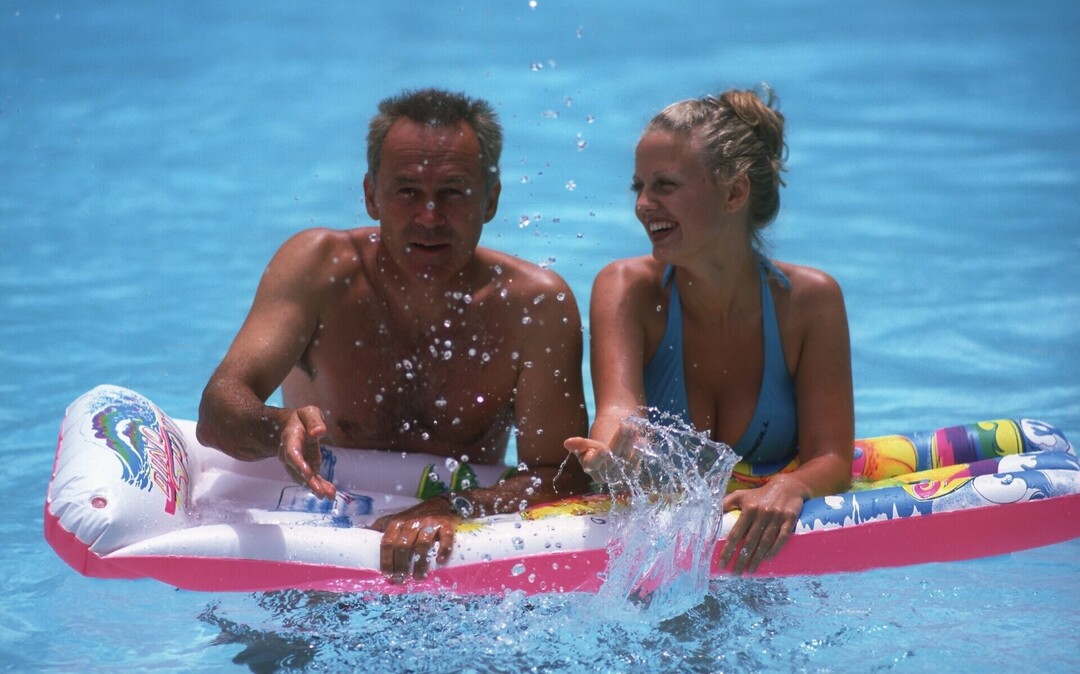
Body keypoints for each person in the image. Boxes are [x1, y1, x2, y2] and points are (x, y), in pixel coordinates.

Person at [197, 88, 590, 582]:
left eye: (453, 192)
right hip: (314, 541)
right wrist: (275, 428)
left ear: (490, 200)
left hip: (453, 559)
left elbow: (561, 476)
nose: (429, 216)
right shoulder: (319, 270)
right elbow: (217, 411)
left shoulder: (533, 306)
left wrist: (454, 507)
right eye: (407, 192)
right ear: (371, 196)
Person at [565, 87, 854, 574]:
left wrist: (793, 485)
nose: (643, 204)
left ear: (734, 193)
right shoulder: (626, 289)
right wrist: (614, 453)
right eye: (638, 187)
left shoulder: (809, 302)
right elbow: (619, 409)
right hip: (652, 568)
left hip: (765, 570)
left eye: (665, 185)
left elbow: (832, 458)